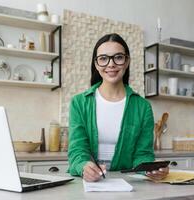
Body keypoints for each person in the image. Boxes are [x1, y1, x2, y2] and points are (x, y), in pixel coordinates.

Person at [68, 33, 169, 182]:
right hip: (89, 183)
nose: (111, 64)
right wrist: (84, 166)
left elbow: (142, 154)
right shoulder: (79, 103)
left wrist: (150, 169)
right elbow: (77, 150)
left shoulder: (143, 107)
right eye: (103, 58)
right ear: (96, 64)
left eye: (118, 57)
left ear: (127, 61)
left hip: (127, 183)